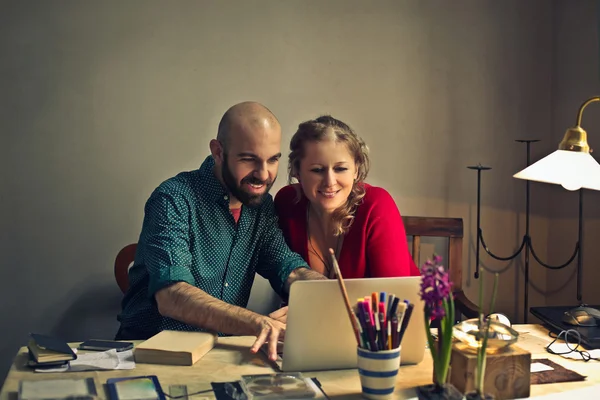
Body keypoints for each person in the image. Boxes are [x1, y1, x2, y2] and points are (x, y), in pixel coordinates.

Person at [116, 102, 326, 361]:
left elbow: (287, 267)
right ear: (218, 151)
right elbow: (172, 296)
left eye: (272, 159)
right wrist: (258, 322)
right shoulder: (173, 199)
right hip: (149, 355)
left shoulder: (261, 207)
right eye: (249, 159)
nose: (263, 174)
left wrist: (320, 294)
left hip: (220, 355)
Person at [274, 115, 419, 280]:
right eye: (317, 170)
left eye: (340, 169)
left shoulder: (377, 205)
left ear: (356, 170)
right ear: (296, 171)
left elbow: (393, 297)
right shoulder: (287, 203)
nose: (330, 182)